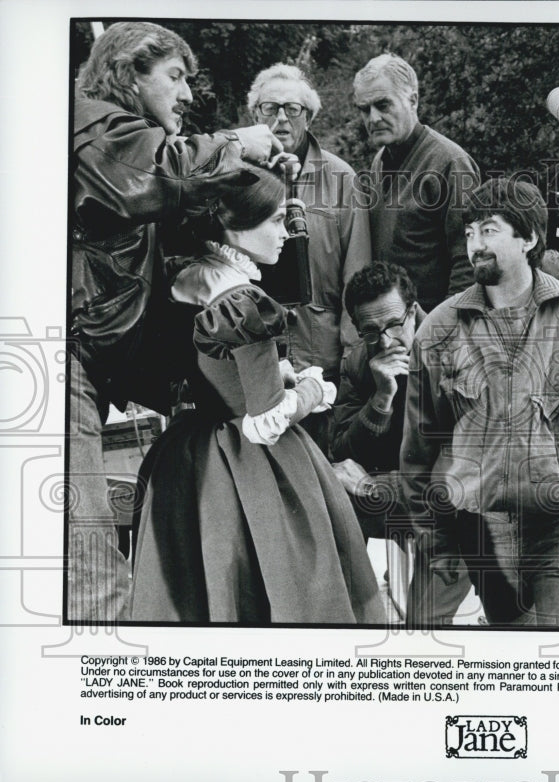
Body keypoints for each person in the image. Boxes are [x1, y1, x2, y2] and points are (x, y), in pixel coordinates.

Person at [70, 21, 291, 621]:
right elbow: (155, 176)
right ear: (128, 72)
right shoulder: (86, 122)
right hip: (55, 363)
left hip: (82, 365)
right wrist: (237, 144)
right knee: (86, 559)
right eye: (175, 76)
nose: (188, 94)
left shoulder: (110, 142)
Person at [400, 177, 559, 627]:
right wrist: (435, 538)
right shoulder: (439, 329)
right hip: (479, 529)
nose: (474, 244)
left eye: (488, 230)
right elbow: (419, 450)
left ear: (529, 238)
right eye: (468, 233)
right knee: (510, 671)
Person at [129, 166, 384, 624]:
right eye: (274, 221)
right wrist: (311, 388)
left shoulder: (189, 275)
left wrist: (280, 375)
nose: (286, 233)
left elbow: (226, 371)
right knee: (290, 582)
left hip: (190, 450)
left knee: (209, 583)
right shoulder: (240, 296)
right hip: (252, 461)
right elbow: (265, 418)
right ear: (234, 224)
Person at [331, 262, 474, 623]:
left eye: (394, 325)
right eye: (370, 331)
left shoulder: (459, 351)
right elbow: (344, 453)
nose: (384, 341)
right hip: (400, 494)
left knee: (424, 628)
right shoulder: (360, 361)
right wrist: (381, 399)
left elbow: (456, 476)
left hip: (462, 510)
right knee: (331, 494)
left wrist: (369, 485)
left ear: (413, 313)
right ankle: (352, 617)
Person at [247, 63, 371, 456]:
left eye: (292, 109)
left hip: (323, 366)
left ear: (310, 117)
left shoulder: (341, 179)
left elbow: (358, 279)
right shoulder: (238, 177)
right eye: (269, 108)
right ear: (254, 115)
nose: (280, 118)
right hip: (257, 361)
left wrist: (353, 369)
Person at [352, 53, 480, 317]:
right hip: (392, 327)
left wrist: (447, 328)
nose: (373, 118)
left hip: (435, 328)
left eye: (383, 105)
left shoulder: (450, 162)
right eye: (364, 109)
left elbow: (469, 260)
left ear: (413, 100)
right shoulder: (380, 160)